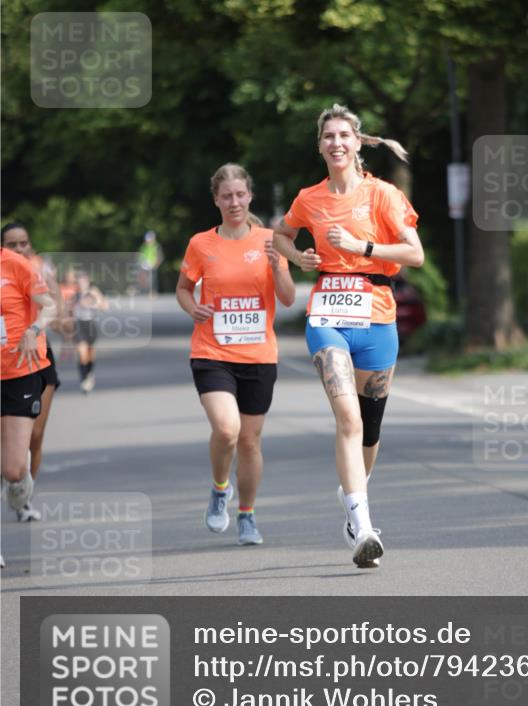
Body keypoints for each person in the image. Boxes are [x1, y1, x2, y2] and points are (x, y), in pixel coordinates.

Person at [273, 104, 424, 568]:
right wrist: (297, 258)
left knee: (370, 430)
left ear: (358, 143)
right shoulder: (309, 198)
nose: (336, 143)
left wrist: (363, 247)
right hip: (328, 318)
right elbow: (279, 235)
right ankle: (362, 528)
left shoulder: (383, 195)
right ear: (319, 146)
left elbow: (414, 253)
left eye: (344, 135)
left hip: (378, 317)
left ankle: (351, 494)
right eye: (328, 137)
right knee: (348, 419)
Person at [176, 163, 295, 546]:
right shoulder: (201, 244)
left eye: (240, 194)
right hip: (212, 350)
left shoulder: (269, 240)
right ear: (216, 200)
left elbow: (289, 298)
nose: (234, 202)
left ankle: (247, 515)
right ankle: (218, 488)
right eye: (226, 196)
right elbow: (183, 288)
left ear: (250, 196)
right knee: (227, 429)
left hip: (259, 355)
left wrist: (278, 267)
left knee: (249, 442)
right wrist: (192, 308)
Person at [1, 222, 62, 521]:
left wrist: (33, 329)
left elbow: (50, 306)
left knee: (13, 467)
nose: (20, 248)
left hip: (18, 369)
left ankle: (21, 483)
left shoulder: (17, 267)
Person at [72, 272, 107, 393]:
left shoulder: (93, 292)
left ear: (87, 281)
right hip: (78, 325)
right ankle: (84, 379)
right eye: (78, 281)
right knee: (82, 352)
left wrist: (93, 303)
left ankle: (90, 373)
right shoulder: (74, 294)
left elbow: (104, 307)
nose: (81, 283)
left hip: (90, 325)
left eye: (83, 280)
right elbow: (67, 311)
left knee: (90, 353)